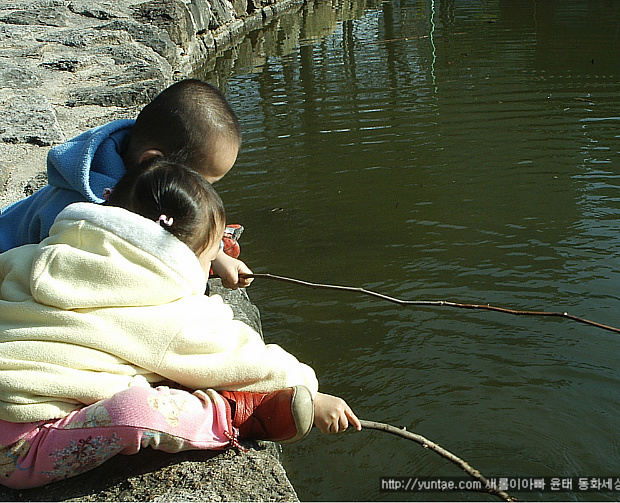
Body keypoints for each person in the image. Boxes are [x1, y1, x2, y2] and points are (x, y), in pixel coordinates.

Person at [0, 159, 361, 490]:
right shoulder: (170, 312)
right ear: (180, 257)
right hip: (20, 447)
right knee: (139, 411)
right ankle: (229, 415)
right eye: (208, 256)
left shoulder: (41, 254)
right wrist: (310, 390)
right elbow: (240, 356)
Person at [0, 78, 251, 289]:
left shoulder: (135, 172)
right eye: (200, 182)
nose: (204, 194)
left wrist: (214, 254)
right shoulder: (79, 217)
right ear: (153, 162)